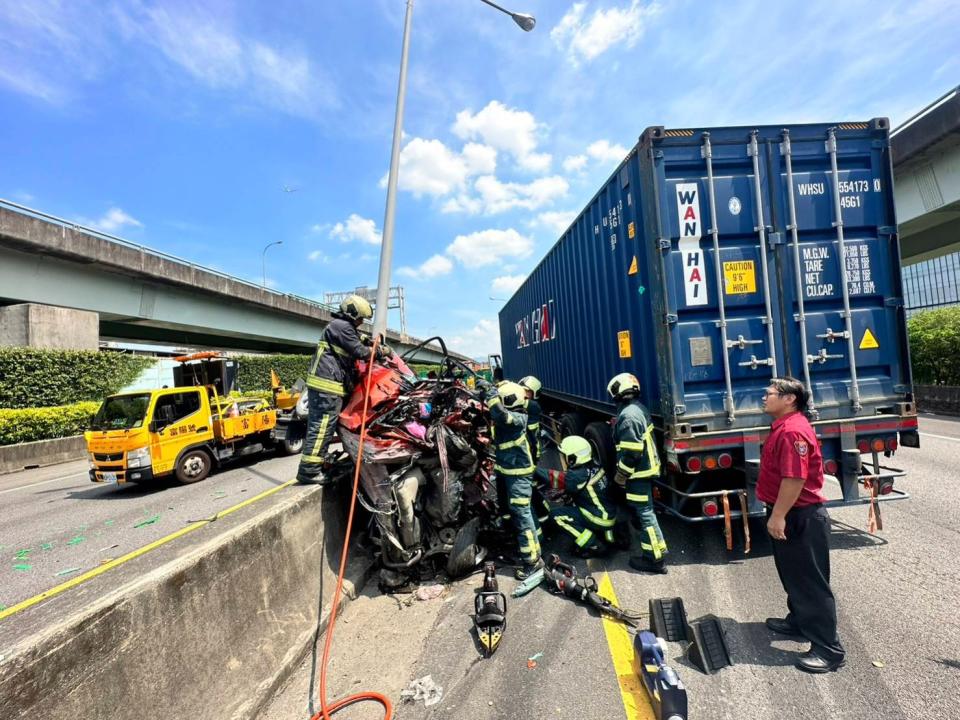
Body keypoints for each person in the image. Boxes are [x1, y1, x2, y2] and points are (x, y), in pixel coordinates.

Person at [759, 377, 845, 673]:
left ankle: (828, 649)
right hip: (794, 513)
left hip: (801, 515)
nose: (764, 398)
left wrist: (778, 515)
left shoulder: (792, 431)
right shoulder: (784, 426)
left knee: (810, 583)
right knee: (793, 575)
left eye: (769, 394)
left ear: (789, 399)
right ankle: (799, 621)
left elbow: (795, 478)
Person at [296, 294, 375, 485]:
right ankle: (309, 472)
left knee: (325, 427)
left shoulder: (342, 327)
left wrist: (370, 341)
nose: (361, 322)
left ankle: (318, 464)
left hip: (328, 387)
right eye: (360, 318)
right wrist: (379, 351)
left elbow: (358, 339)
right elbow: (362, 352)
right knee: (322, 428)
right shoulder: (341, 327)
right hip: (327, 387)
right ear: (352, 313)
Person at [608, 372, 668, 574]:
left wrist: (619, 478)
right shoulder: (636, 409)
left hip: (638, 474)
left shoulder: (628, 416)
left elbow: (631, 454)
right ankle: (655, 553)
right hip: (644, 471)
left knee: (645, 514)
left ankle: (654, 559)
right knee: (644, 512)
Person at [483, 380, 542, 579]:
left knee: (521, 514)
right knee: (510, 511)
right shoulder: (511, 415)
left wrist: (491, 393)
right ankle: (515, 541)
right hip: (507, 472)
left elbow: (500, 414)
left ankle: (532, 560)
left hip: (519, 475)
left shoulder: (516, 418)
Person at [534, 435, 617, 557]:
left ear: (574, 457)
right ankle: (606, 534)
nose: (564, 458)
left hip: (599, 518)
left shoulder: (577, 476)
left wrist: (533, 470)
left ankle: (592, 544)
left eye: (566, 456)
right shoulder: (595, 465)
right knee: (571, 501)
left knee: (556, 516)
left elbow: (553, 477)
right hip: (609, 513)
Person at [518, 376, 543, 463]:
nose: (524, 393)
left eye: (526, 391)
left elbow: (522, 402)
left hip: (532, 448)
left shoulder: (534, 405)